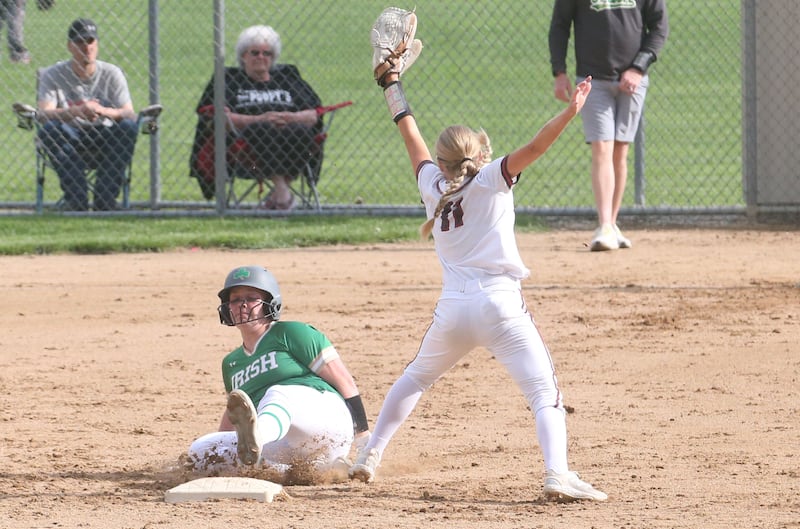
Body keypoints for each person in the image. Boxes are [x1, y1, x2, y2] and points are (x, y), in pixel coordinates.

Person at [348, 9, 606, 502]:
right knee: (543, 395)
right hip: (501, 307)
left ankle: (370, 454)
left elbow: (408, 128)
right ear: (479, 156)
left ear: (444, 162)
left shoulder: (431, 185)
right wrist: (572, 110)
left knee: (415, 378)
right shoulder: (491, 179)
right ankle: (557, 473)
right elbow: (536, 145)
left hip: (454, 310)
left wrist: (391, 84)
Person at [187, 265, 371, 479]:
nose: (242, 304)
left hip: (326, 423)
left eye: (251, 297)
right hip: (286, 446)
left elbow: (345, 381)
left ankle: (258, 436)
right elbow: (235, 412)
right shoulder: (231, 363)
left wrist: (364, 440)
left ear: (270, 304)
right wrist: (216, 449)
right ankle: (289, 473)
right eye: (235, 299)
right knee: (201, 448)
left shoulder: (291, 333)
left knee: (277, 392)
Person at [549, 0, 669, 251]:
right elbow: (560, 25)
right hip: (593, 79)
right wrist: (559, 72)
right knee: (602, 148)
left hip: (633, 80)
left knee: (620, 152)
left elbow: (659, 27)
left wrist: (638, 68)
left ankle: (611, 225)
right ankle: (604, 226)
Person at [190, 25, 322, 210]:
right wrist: (259, 119)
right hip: (246, 149)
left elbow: (314, 114)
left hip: (290, 139)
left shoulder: (288, 78)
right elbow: (218, 116)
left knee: (299, 131)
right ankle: (283, 193)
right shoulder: (229, 80)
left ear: (273, 57)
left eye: (267, 53)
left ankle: (279, 194)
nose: (261, 57)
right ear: (243, 56)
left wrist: (290, 117)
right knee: (261, 130)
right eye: (255, 53)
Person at [36, 18, 138, 211]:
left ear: (97, 44)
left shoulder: (112, 73)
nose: (86, 47)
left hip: (105, 132)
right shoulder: (53, 74)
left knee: (129, 127)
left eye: (90, 41)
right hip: (70, 134)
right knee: (49, 130)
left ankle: (105, 200)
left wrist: (102, 111)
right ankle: (76, 200)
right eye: (80, 42)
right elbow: (43, 114)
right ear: (70, 46)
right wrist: (75, 112)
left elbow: (129, 113)